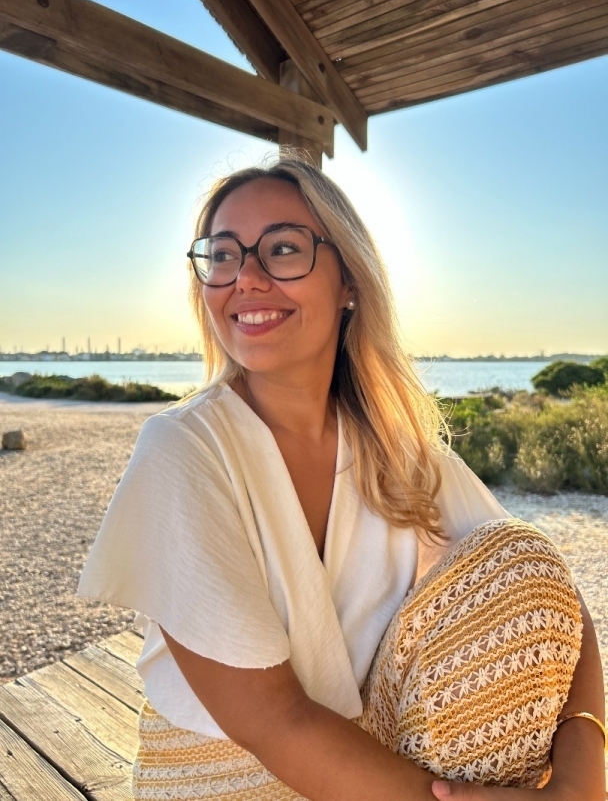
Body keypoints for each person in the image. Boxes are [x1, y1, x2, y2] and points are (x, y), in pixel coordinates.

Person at [78, 154, 606, 801]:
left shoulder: (389, 448)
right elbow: (273, 720)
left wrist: (584, 770)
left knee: (519, 559)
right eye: (223, 256)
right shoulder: (184, 448)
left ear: (348, 281)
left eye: (283, 248)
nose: (246, 278)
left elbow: (552, 593)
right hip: (224, 781)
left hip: (371, 765)